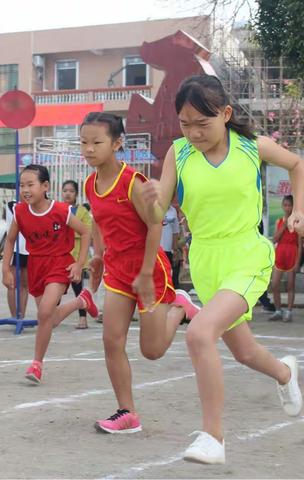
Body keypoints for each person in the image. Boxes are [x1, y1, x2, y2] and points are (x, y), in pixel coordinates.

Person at [142, 74, 304, 464]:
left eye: (203, 123)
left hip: (247, 253)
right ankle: (284, 373)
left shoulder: (251, 146)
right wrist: (149, 199)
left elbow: (297, 164)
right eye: (185, 123)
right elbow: (158, 210)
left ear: (226, 114)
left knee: (199, 334)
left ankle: (213, 437)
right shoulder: (178, 154)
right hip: (206, 262)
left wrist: (299, 209)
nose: (194, 132)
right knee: (244, 351)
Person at [80, 112, 196, 435]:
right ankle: (127, 412)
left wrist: (146, 272)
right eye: (84, 142)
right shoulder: (90, 184)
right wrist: (99, 255)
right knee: (111, 340)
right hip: (117, 271)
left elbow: (155, 224)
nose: (89, 149)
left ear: (117, 144)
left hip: (148, 269)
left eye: (97, 142)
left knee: (152, 350)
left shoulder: (133, 182)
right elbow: (100, 223)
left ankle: (180, 310)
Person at [2, 164, 98, 384]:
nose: (25, 190)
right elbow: (10, 240)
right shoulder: (20, 211)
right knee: (50, 319)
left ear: (45, 186)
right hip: (36, 266)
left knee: (44, 312)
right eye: (22, 185)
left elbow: (85, 232)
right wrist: (6, 269)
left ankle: (36, 364)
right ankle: (81, 301)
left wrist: (79, 264)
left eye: (30, 185)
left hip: (58, 264)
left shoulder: (61, 210)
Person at [62, 180, 92, 329]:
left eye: (71, 191)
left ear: (76, 194)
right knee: (55, 287)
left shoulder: (82, 212)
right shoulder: (57, 208)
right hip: (60, 255)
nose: (68, 193)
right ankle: (50, 315)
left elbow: (87, 230)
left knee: (78, 288)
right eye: (65, 190)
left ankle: (82, 318)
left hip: (76, 255)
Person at [269, 195, 302, 322]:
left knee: (290, 285)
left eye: (289, 205)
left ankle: (289, 311)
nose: (287, 207)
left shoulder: (298, 222)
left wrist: (298, 262)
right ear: (283, 206)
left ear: (293, 207)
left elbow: (300, 245)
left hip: (292, 253)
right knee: (275, 284)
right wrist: (284, 225)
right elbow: (275, 239)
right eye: (285, 205)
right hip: (280, 253)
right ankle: (278, 310)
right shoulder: (279, 221)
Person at [5, 199, 29, 319]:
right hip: (16, 249)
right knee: (12, 284)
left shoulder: (36, 204)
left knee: (25, 285)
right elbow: (10, 227)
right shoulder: (12, 205)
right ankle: (14, 315)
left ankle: (22, 315)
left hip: (30, 249)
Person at [160, 204, 180, 288]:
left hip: (168, 249)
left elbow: (175, 231)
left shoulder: (173, 211)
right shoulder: (152, 208)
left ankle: (174, 291)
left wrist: (175, 249)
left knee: (171, 274)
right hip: (156, 250)